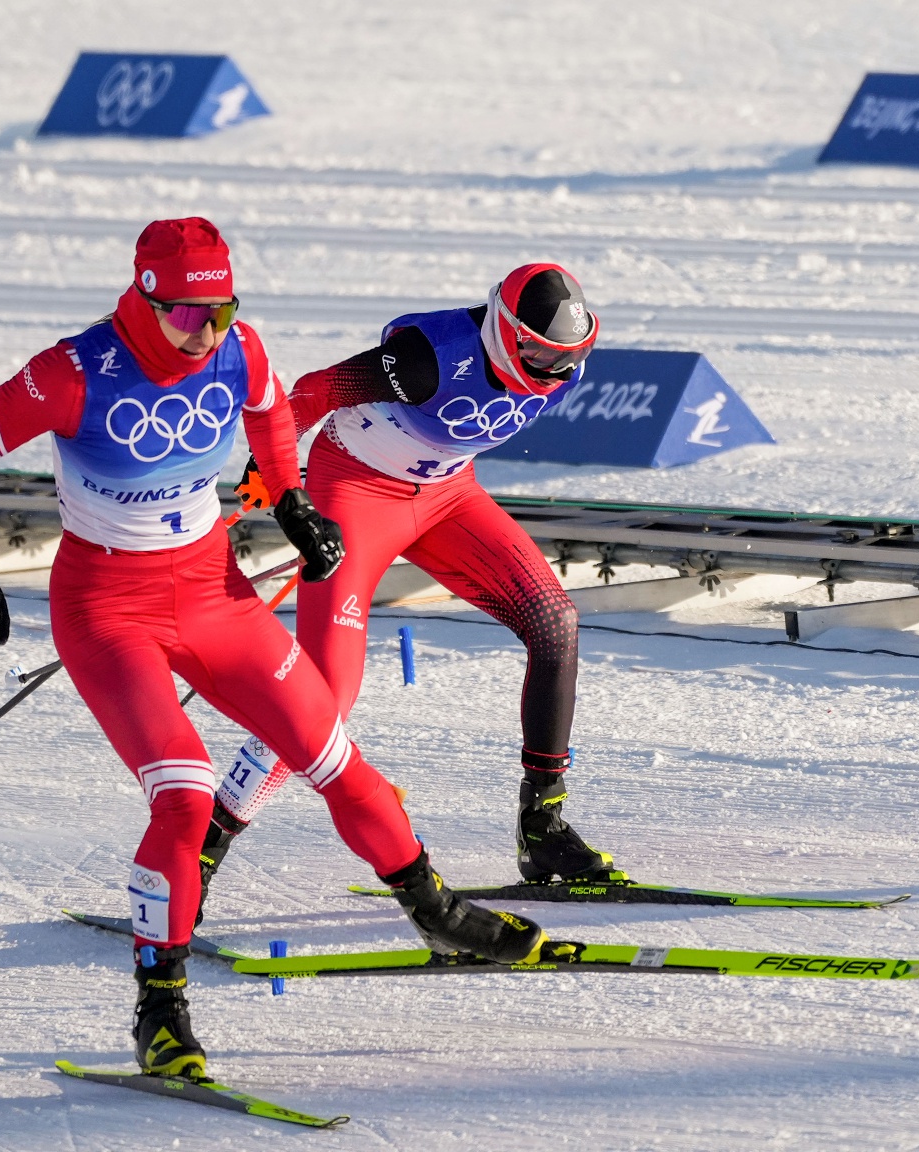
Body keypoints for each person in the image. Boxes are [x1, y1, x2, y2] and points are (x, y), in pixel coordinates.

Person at [0, 218, 542, 1081]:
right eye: (187, 316)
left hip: (214, 594)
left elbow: (269, 414)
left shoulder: (239, 347)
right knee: (182, 801)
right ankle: (160, 1008)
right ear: (144, 299)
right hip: (109, 611)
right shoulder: (72, 372)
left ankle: (432, 906)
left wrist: (290, 502)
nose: (205, 333)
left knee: (335, 754)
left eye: (220, 312)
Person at [200, 263, 612, 913]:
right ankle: (199, 850)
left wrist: (555, 362)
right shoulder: (425, 359)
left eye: (566, 357)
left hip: (446, 497)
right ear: (503, 331)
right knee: (326, 699)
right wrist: (274, 476)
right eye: (535, 352)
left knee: (554, 621)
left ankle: (544, 830)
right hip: (356, 493)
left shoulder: (562, 368)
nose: (551, 372)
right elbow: (307, 392)